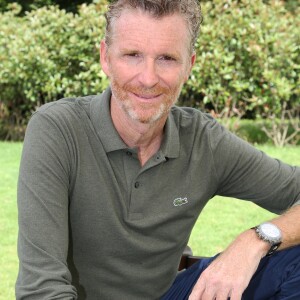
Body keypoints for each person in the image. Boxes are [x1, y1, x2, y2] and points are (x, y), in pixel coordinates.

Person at [16, 0, 300, 299]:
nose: (148, 78)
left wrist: (256, 240)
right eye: (132, 55)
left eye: (166, 58)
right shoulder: (58, 130)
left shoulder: (204, 140)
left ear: (188, 65)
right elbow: (42, 289)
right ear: (105, 57)